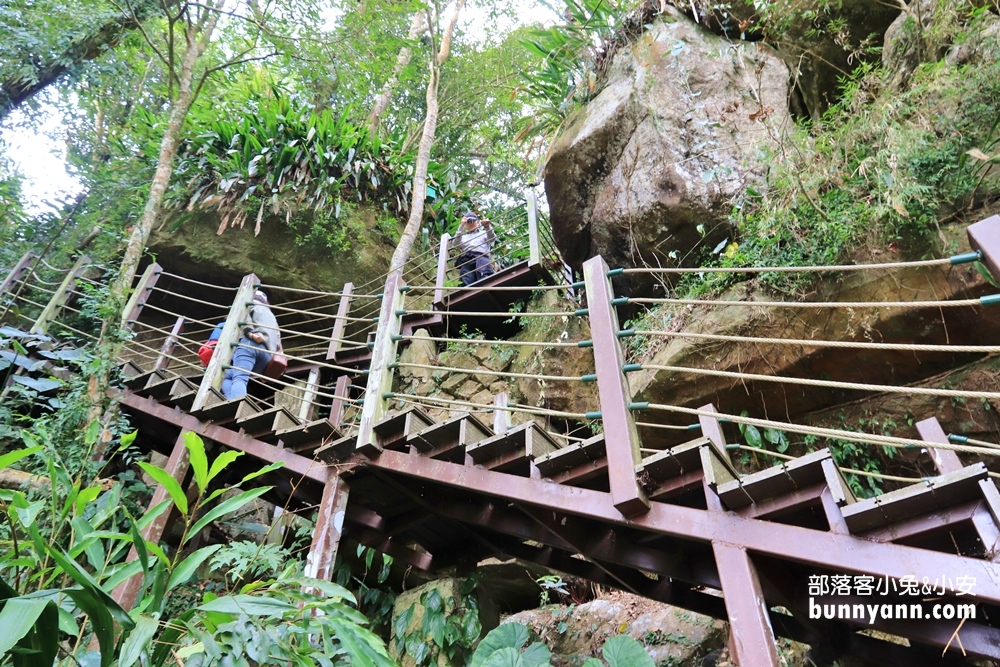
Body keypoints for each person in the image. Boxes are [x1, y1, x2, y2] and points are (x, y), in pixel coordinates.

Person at [221, 290, 280, 400]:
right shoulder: (272, 316)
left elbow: (245, 320)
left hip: (250, 345)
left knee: (239, 378)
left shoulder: (249, 304)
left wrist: (251, 334)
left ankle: (235, 406)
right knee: (228, 376)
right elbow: (277, 337)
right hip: (267, 355)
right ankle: (230, 401)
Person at [450, 212, 496, 286]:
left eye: (472, 221)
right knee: (466, 281)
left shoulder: (484, 233)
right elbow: (455, 243)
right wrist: (461, 226)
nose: (470, 223)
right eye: (468, 221)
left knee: (484, 278)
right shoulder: (463, 237)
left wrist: (487, 226)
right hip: (468, 259)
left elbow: (492, 238)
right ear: (465, 224)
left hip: (482, 258)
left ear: (477, 222)